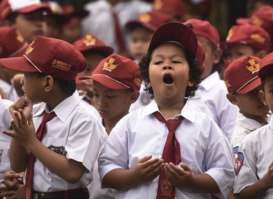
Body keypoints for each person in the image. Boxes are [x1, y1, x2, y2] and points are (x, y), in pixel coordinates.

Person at [99, 22, 235, 199]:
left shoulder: (205, 125)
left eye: (176, 61)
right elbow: (106, 169)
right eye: (158, 61)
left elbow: (225, 173)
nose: (167, 65)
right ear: (147, 78)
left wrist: (192, 181)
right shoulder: (130, 123)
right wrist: (133, 176)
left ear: (191, 79)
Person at [0, 36, 106, 199]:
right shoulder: (37, 111)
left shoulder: (84, 117)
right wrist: (20, 123)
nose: (22, 82)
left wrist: (31, 142)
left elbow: (72, 172)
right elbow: (17, 164)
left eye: (27, 75)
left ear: (48, 82)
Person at [185, 18, 238, 140]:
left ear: (216, 55)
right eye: (185, 51)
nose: (192, 57)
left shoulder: (223, 91)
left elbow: (231, 138)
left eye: (200, 51)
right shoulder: (173, 89)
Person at [233, 52, 273, 199]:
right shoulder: (251, 141)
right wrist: (265, 182)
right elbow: (239, 194)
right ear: (264, 97)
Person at [224, 55, 268, 148]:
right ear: (233, 99)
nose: (261, 96)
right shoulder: (241, 139)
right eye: (253, 92)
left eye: (264, 88)